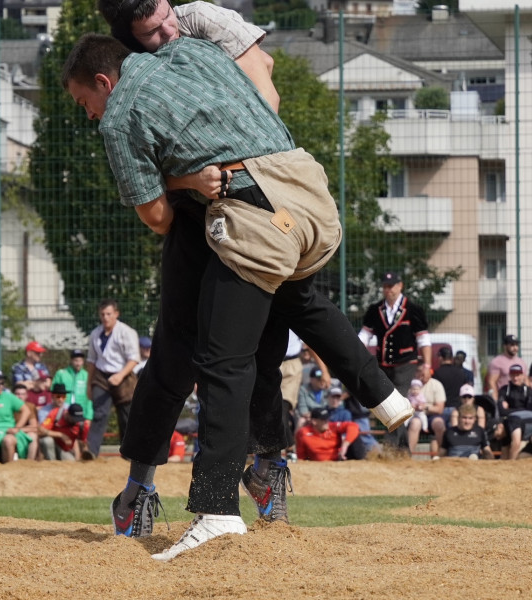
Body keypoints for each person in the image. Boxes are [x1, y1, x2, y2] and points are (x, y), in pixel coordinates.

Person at [67, 32, 414, 559]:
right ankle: (368, 402)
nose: (89, 115)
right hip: (287, 191)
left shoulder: (143, 89)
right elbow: (267, 80)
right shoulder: (197, 46)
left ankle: (192, 498)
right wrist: (193, 177)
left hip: (240, 211)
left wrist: (189, 180)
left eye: (83, 103)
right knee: (274, 325)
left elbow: (157, 217)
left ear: (103, 81)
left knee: (215, 359)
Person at [359, 271, 433, 397]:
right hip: (382, 365)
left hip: (405, 364)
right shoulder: (375, 310)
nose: (388, 290)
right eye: (385, 286)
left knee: (399, 398)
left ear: (400, 286)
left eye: (391, 286)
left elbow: (423, 339)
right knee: (382, 399)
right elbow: (364, 336)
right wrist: (357, 353)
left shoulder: (413, 309)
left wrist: (427, 365)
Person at [85, 299, 140, 457]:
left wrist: (120, 375)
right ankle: (91, 450)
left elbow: (134, 358)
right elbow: (91, 361)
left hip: (124, 376)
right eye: (102, 314)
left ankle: (128, 453)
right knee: (99, 413)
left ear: (116, 314)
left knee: (126, 416)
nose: (105, 317)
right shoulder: (95, 334)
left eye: (109, 314)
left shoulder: (127, 332)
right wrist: (89, 384)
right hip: (101, 377)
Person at [295, 406, 365, 462]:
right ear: (314, 421)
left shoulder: (333, 426)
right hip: (317, 464)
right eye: (323, 419)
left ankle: (360, 462)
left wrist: (345, 445)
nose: (326, 422)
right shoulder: (303, 433)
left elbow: (353, 426)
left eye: (327, 419)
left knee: (354, 436)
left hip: (339, 459)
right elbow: (301, 455)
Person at [51, 349, 92, 419]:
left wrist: (89, 416)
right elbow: (53, 393)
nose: (78, 364)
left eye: (80, 361)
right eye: (76, 361)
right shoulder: (61, 374)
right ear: (71, 361)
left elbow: (90, 398)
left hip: (81, 413)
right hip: (63, 412)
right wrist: (55, 410)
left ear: (83, 361)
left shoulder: (87, 375)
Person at [486, 334, 528, 402]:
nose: (515, 348)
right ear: (505, 346)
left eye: (516, 345)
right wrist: (496, 400)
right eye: (512, 345)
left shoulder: (521, 362)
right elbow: (491, 381)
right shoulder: (497, 361)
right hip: (504, 398)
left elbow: (525, 380)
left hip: (520, 400)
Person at [13, 340, 53, 408]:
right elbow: (19, 386)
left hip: (42, 402)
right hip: (24, 403)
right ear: (29, 353)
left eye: (40, 353)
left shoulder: (42, 366)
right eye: (37, 353)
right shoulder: (18, 367)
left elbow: (48, 384)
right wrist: (37, 384)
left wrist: (30, 383)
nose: (40, 355)